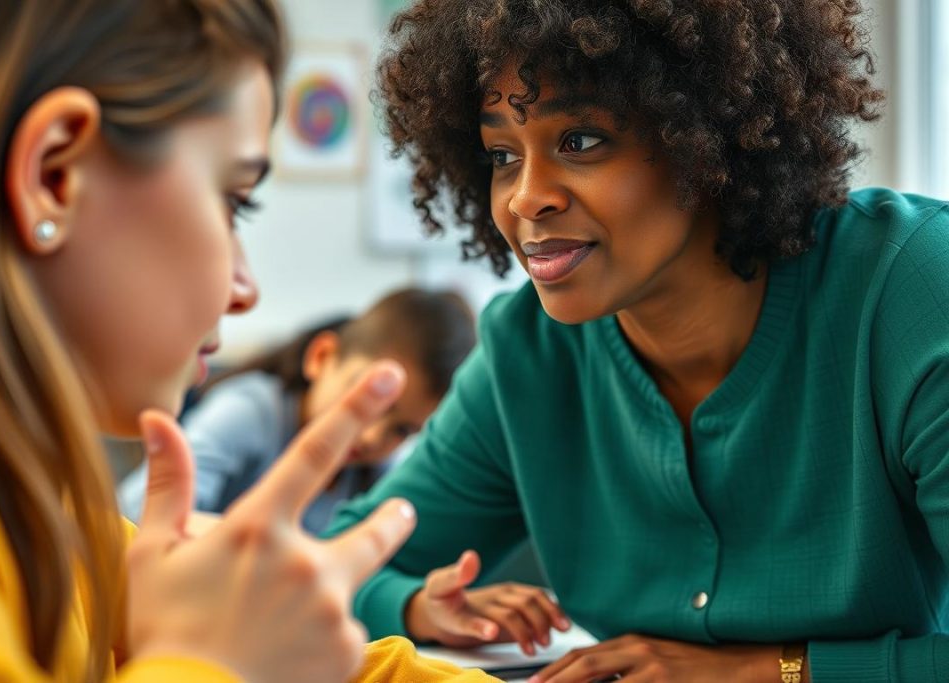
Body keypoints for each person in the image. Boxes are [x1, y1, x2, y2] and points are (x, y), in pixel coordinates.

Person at [327, 1, 949, 682]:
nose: (525, 199)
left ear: (711, 135)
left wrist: (766, 671)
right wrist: (416, 605)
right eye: (502, 154)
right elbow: (336, 559)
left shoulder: (913, 293)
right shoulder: (527, 354)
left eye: (581, 141)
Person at [0, 1, 496, 681]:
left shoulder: (39, 501)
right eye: (233, 201)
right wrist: (213, 660)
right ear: (54, 175)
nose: (245, 286)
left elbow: (312, 659)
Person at [118, 287, 477, 534]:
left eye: (402, 431)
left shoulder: (380, 475)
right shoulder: (249, 413)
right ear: (321, 358)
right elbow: (138, 514)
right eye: (372, 397)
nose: (371, 436)